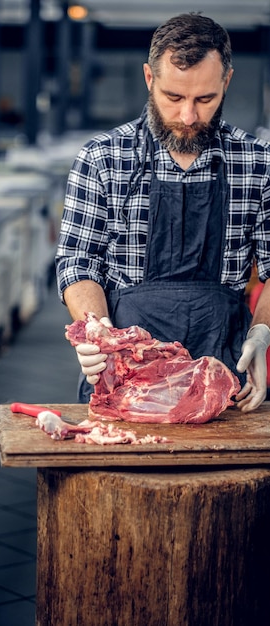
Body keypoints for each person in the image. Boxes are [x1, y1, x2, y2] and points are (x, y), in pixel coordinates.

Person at [55, 12, 270, 412]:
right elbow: (78, 260)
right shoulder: (103, 158)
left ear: (226, 82)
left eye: (205, 99)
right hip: (126, 377)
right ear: (150, 79)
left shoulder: (258, 162)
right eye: (174, 98)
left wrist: (261, 332)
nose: (188, 117)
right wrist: (95, 331)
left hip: (226, 381)